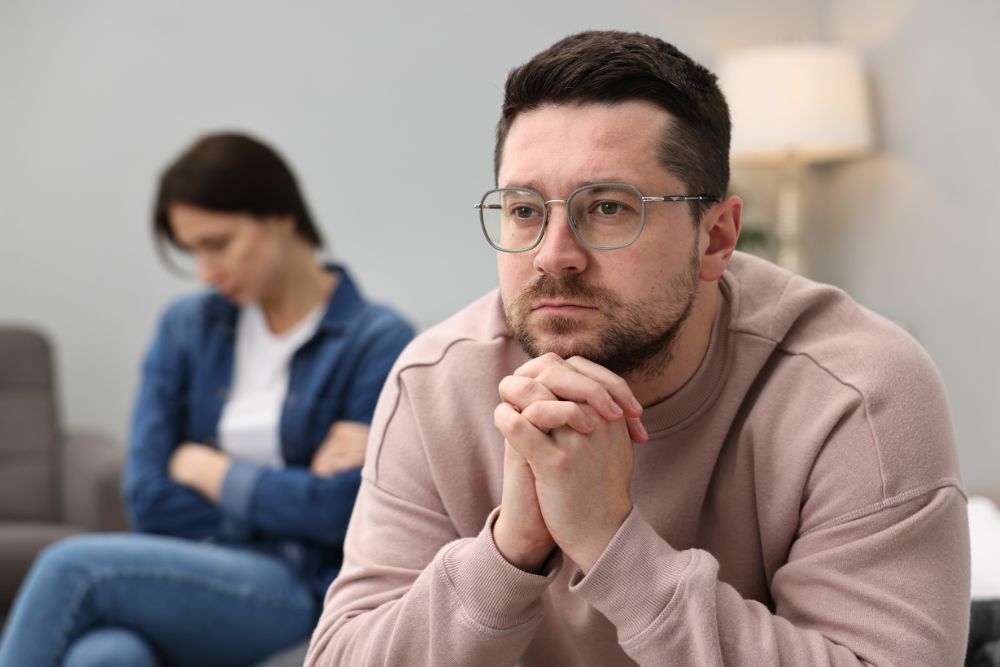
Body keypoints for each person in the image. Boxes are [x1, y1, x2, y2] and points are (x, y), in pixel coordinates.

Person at [306, 30, 970, 666]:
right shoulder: (436, 384)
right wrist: (510, 549)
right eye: (524, 210)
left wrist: (612, 542)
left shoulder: (857, 391)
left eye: (608, 208)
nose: (553, 257)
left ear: (714, 237)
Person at [0, 132, 414, 666]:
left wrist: (210, 471)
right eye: (192, 251)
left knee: (69, 568)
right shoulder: (187, 327)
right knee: (106, 657)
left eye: (217, 244)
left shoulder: (376, 340)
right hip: (182, 570)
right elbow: (146, 496)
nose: (205, 272)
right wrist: (291, 496)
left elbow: (345, 511)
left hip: (296, 584)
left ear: (281, 216)